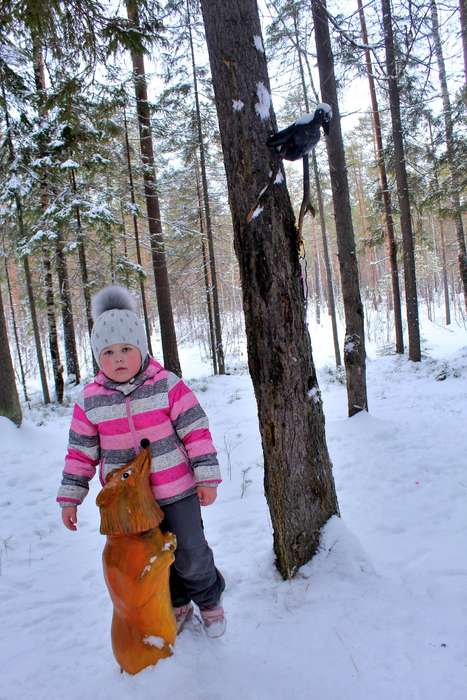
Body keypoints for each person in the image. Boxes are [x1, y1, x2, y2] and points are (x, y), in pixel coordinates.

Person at [57, 285, 225, 638]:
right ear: (97, 356)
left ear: (142, 349)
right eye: (108, 352)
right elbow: (80, 452)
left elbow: (196, 430)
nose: (117, 358)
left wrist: (205, 476)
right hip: (130, 505)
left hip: (176, 489)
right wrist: (71, 497)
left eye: (126, 349)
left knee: (190, 552)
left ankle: (209, 601)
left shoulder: (167, 385)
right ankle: (176, 602)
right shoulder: (90, 402)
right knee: (152, 558)